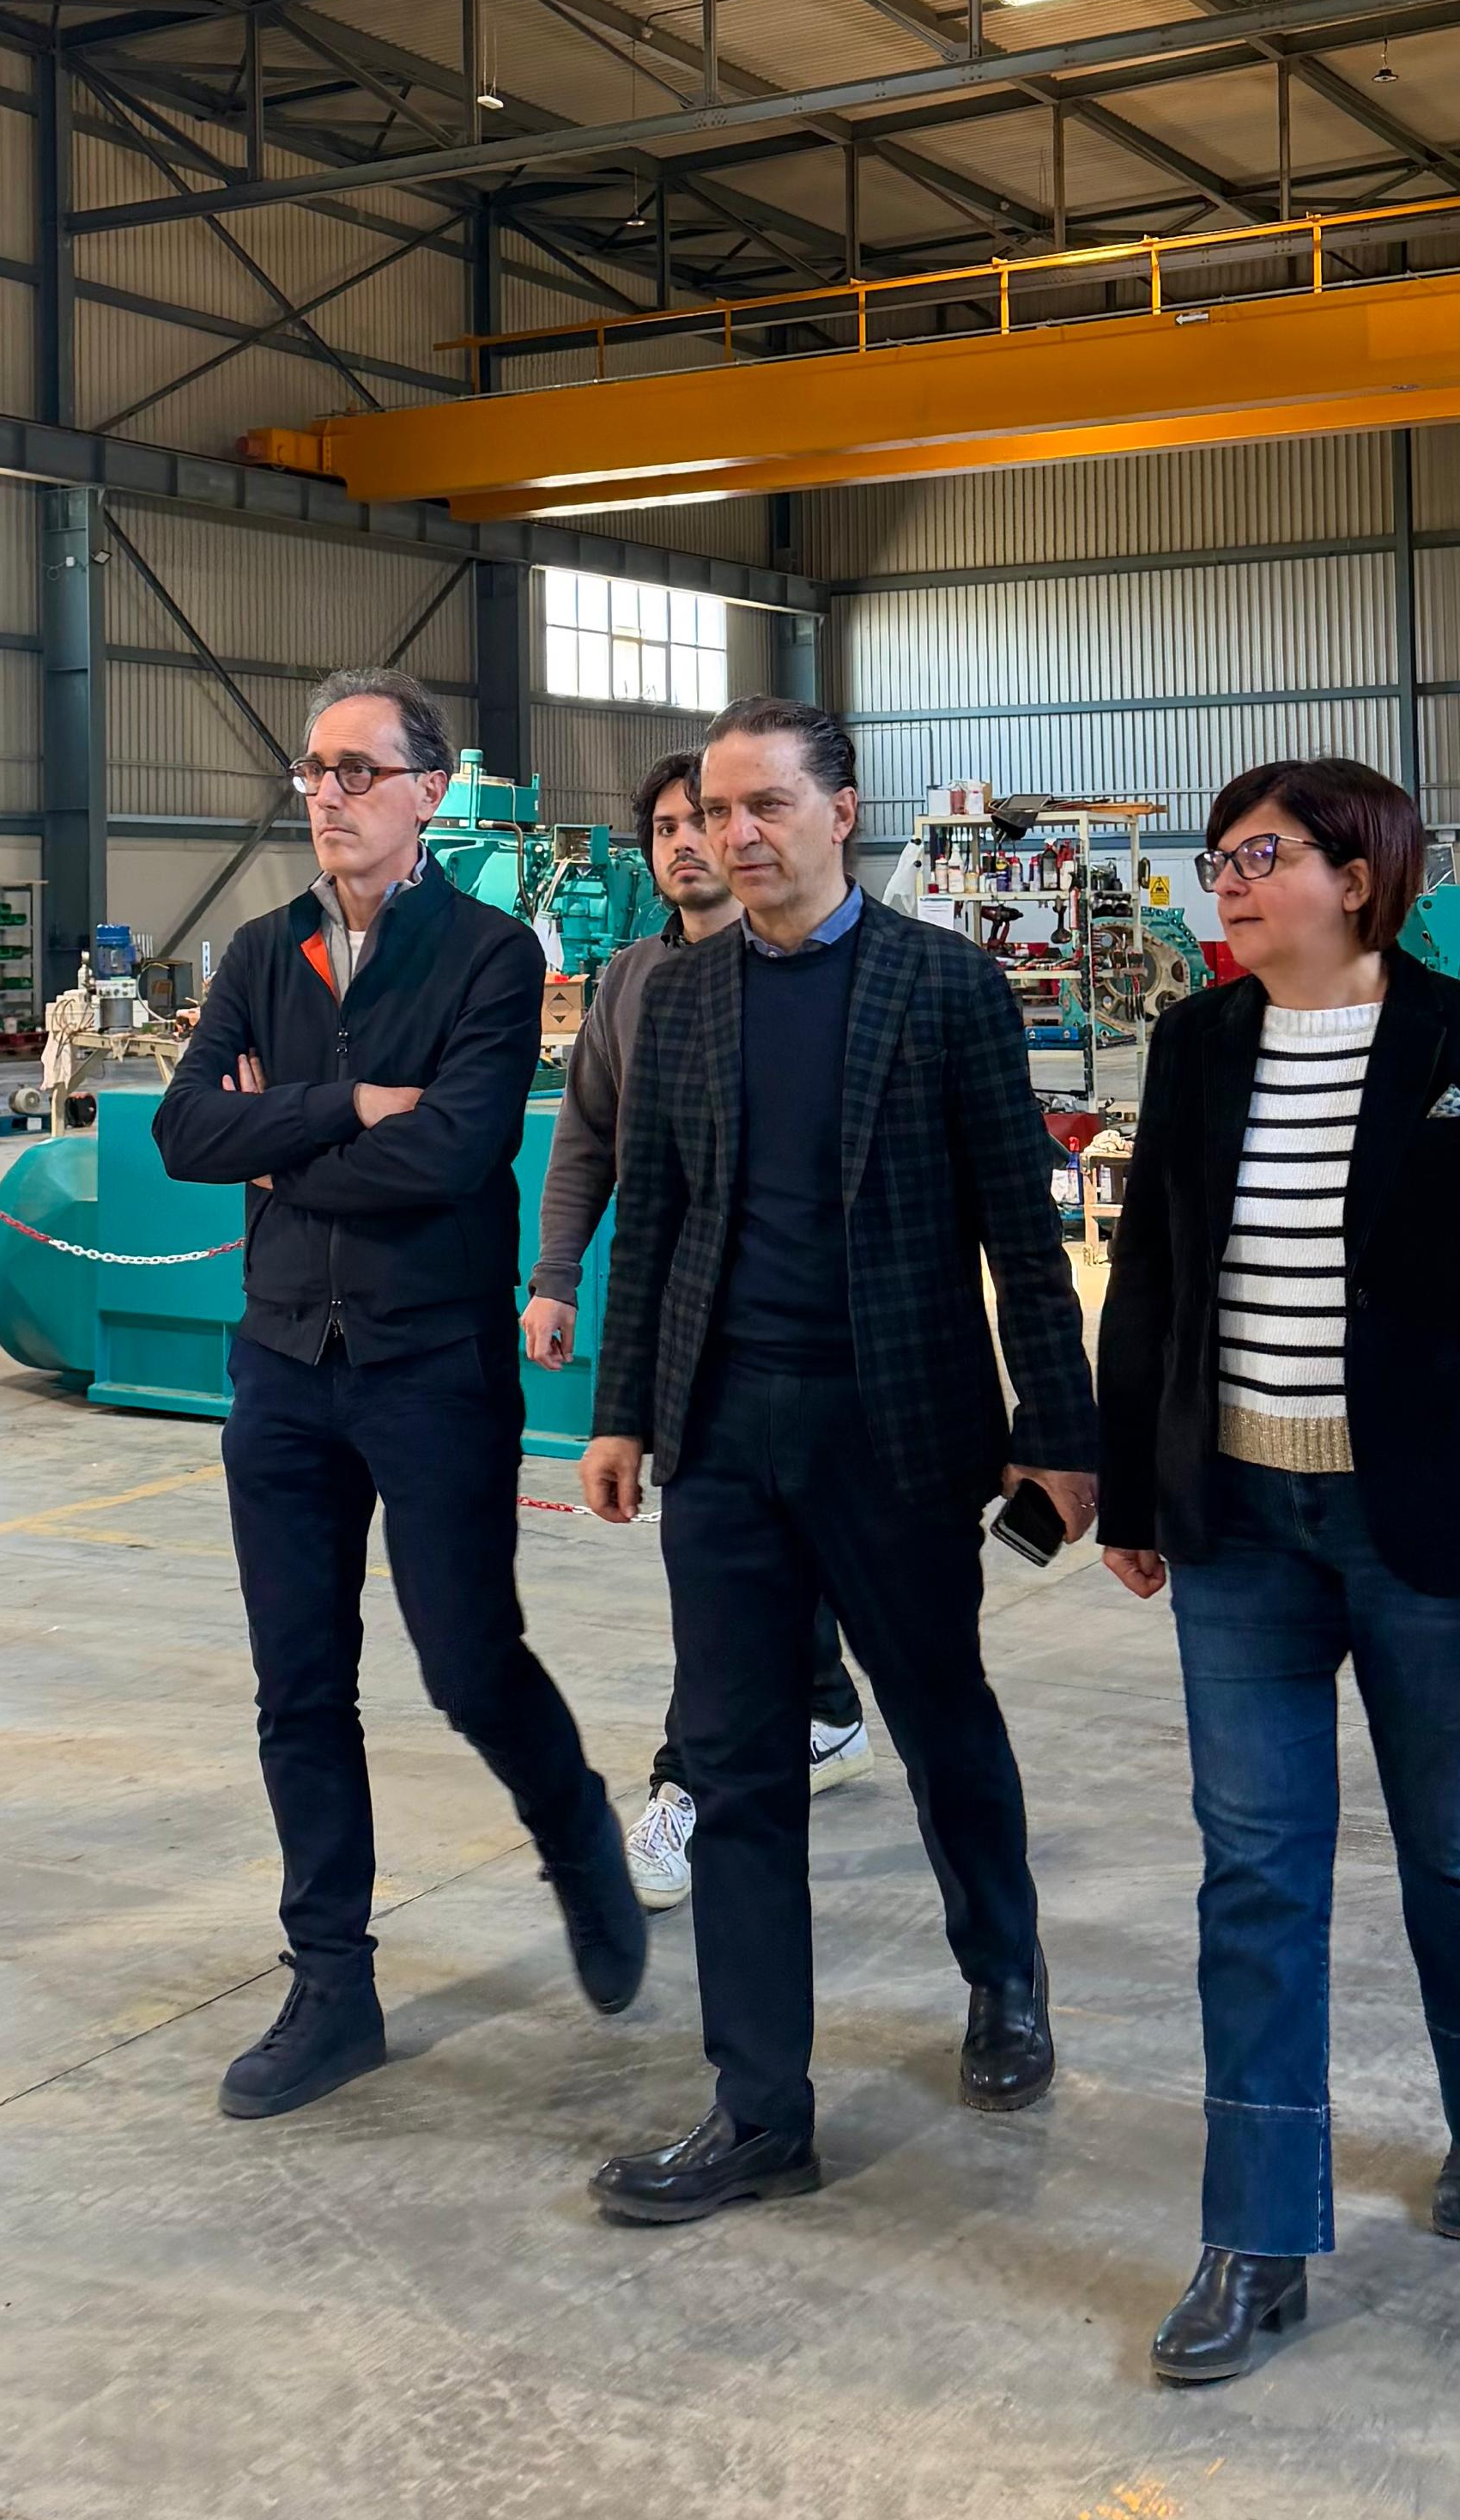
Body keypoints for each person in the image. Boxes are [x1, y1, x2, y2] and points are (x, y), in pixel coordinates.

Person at [1096, 756, 1460, 2386]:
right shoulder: (1196, 1045)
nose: (1228, 884)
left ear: (1359, 874)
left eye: (1260, 855)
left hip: (1438, 1533)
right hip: (1239, 1530)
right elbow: (1151, 1286)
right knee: (1253, 1874)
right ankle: (1256, 2239)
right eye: (1219, 859)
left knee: (1456, 1849)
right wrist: (1133, 1486)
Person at [579, 700, 1099, 2223]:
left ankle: (1003, 1978)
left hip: (899, 1433)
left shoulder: (943, 985)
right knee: (736, 1767)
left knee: (943, 1725)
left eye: (766, 805)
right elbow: (650, 1219)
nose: (734, 835)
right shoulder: (679, 996)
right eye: (714, 811)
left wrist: (1059, 1437)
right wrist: (623, 1413)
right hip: (723, 1440)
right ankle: (759, 2110)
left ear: (842, 813)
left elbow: (1022, 1232)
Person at [158, 668, 645, 2120]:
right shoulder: (262, 950)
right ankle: (332, 1986)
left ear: (430, 791)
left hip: (431, 1365)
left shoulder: (489, 955)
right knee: (299, 1685)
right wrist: (348, 1107)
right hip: (281, 1369)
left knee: (467, 1659)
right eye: (315, 770)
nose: (329, 794)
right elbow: (186, 1131)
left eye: (359, 770)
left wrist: (276, 1138)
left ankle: (576, 1834)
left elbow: (456, 1155)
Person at [524, 748, 870, 1908]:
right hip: (679, 1329)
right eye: (669, 827)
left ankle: (757, 1744)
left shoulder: (821, 973)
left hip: (812, 1331)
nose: (689, 842)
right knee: (728, 1566)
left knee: (770, 1555)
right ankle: (766, 1742)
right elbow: (586, 1138)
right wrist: (557, 1277)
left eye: (705, 819)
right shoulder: (633, 982)